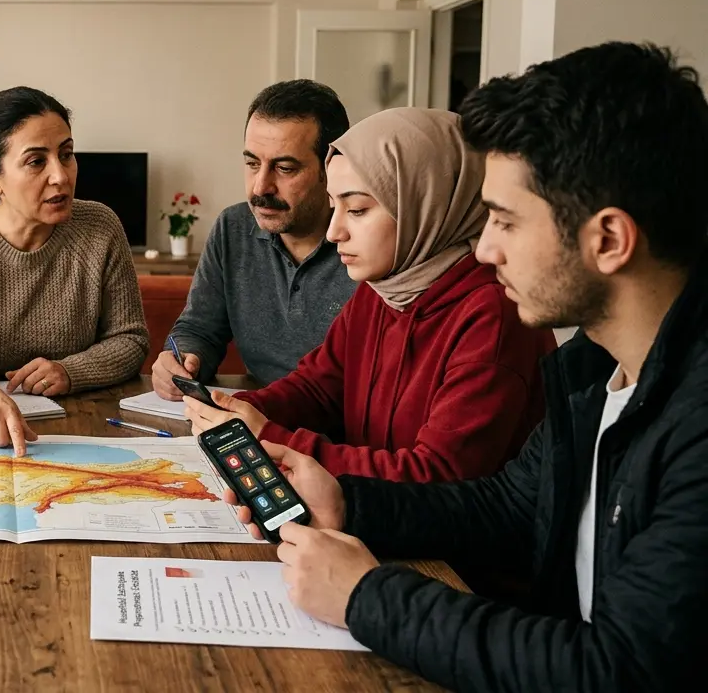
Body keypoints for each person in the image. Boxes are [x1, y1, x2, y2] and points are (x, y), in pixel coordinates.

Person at [225, 42, 708, 690]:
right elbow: (507, 506)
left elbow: (612, 669)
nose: (482, 247)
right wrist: (346, 502)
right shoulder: (596, 368)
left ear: (609, 240)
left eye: (505, 221)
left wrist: (366, 596)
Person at [186, 108, 555, 482]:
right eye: (335, 206)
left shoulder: (493, 315)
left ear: (422, 205)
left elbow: (437, 477)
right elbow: (319, 389)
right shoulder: (382, 291)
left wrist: (270, 437)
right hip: (372, 519)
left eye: (358, 209)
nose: (334, 232)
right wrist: (238, 409)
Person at [0, 86, 148, 456]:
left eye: (67, 155)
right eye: (37, 162)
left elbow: (130, 339)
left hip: (80, 429)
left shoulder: (101, 226)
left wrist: (70, 371)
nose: (61, 176)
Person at [152, 80, 356, 398]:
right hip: (259, 416)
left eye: (285, 168)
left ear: (331, 167)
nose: (260, 187)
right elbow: (200, 328)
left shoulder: (369, 243)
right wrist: (182, 362)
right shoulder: (233, 228)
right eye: (252, 163)